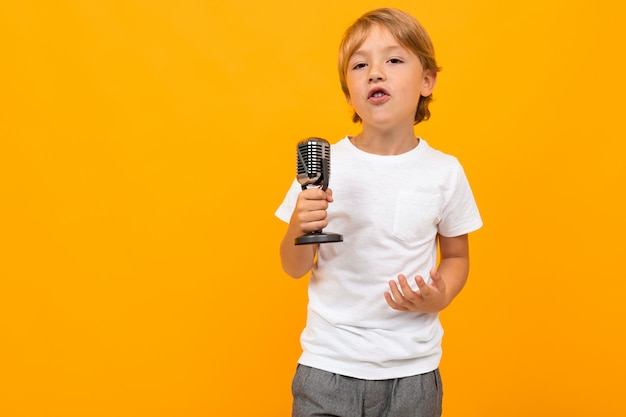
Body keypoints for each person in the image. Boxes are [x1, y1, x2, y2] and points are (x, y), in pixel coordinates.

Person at [275, 7, 482, 417]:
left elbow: (457, 256)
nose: (375, 72)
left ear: (427, 81)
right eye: (360, 64)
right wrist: (300, 224)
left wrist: (440, 294)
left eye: (393, 59)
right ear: (349, 91)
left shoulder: (445, 172)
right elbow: (293, 266)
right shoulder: (322, 168)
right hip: (327, 367)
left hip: (413, 375)